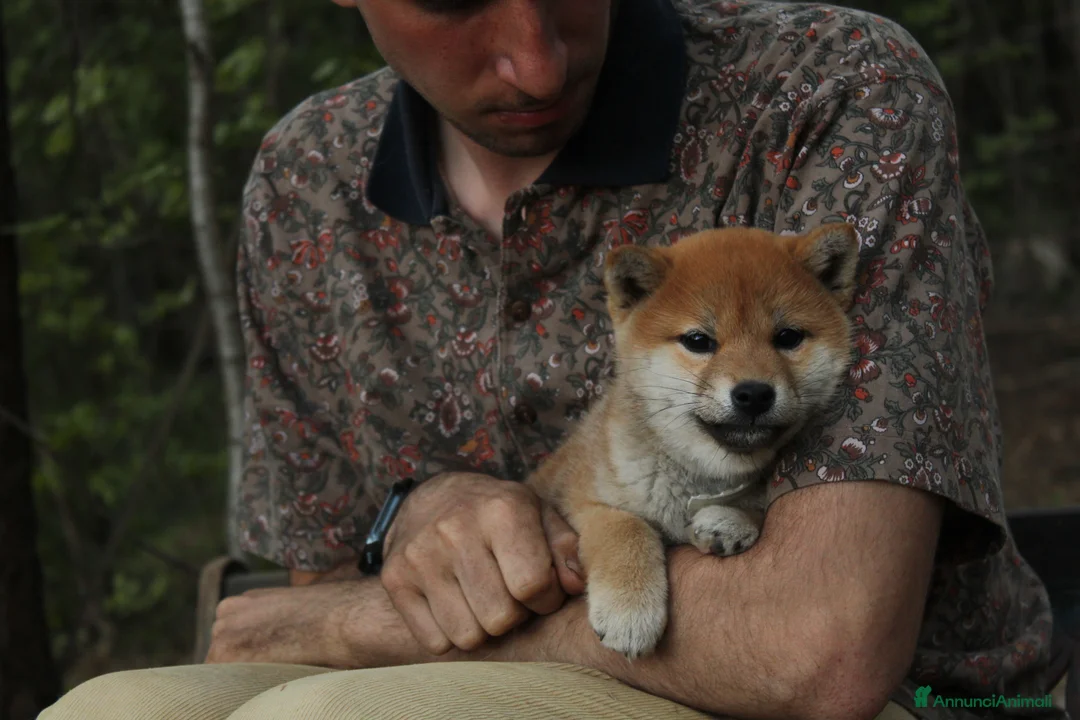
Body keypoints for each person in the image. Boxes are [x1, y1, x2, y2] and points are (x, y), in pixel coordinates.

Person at [40, 1, 1061, 719]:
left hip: (891, 699)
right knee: (114, 709)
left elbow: (821, 654)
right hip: (480, 669)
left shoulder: (830, 92)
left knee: (325, 714)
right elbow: (320, 581)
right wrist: (413, 520)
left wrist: (366, 626)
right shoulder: (308, 180)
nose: (535, 58)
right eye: (452, 0)